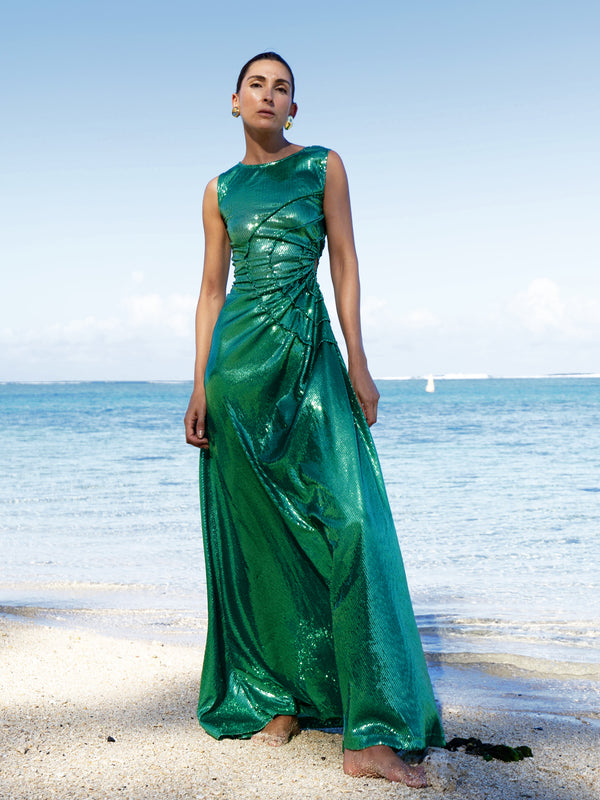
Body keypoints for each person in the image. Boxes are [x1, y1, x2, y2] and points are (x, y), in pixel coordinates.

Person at [184, 52, 444, 788]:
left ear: (294, 108)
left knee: (352, 522)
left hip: (313, 364)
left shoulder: (324, 167)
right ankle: (279, 695)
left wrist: (359, 360)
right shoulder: (219, 191)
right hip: (237, 375)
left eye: (284, 87)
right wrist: (200, 383)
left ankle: (372, 732)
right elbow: (210, 291)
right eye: (257, 85)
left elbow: (347, 267)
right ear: (233, 101)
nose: (270, 95)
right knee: (262, 539)